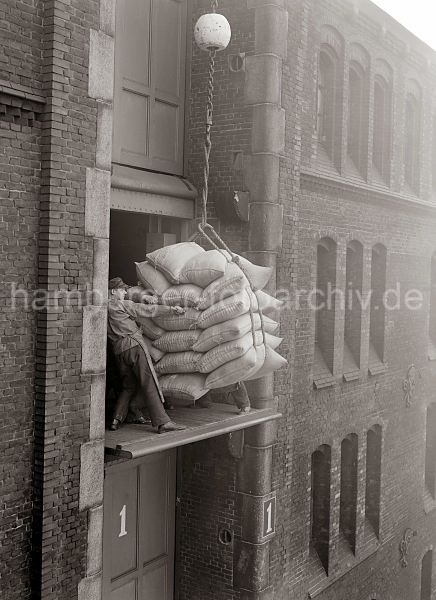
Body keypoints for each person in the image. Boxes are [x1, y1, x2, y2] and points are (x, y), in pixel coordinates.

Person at [107, 277, 186, 433]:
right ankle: (163, 422)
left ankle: (116, 419)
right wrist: (171, 310)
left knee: (128, 386)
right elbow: (149, 310)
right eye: (122, 290)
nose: (125, 292)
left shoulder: (103, 308)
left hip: (118, 351)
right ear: (113, 291)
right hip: (134, 347)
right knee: (149, 381)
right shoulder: (122, 305)